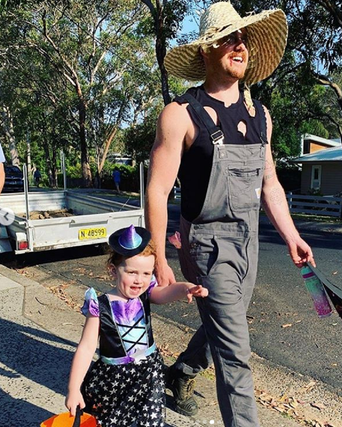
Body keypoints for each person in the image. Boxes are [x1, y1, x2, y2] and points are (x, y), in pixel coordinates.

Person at [145, 2, 315, 426]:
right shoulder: (181, 115)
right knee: (237, 355)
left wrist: (292, 235)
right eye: (227, 38)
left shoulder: (262, 118)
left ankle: (182, 372)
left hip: (248, 242)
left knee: (227, 325)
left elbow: (269, 184)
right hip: (205, 245)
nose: (238, 45)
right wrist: (158, 257)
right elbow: (158, 187)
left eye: (242, 38)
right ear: (206, 50)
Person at [65, 224, 208, 426]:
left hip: (148, 375)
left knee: (149, 421)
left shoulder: (145, 295)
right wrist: (73, 389)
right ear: (113, 270)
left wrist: (186, 288)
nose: (139, 281)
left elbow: (166, 292)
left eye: (146, 274)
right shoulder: (100, 305)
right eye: (132, 272)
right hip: (112, 382)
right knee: (111, 421)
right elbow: (86, 348)